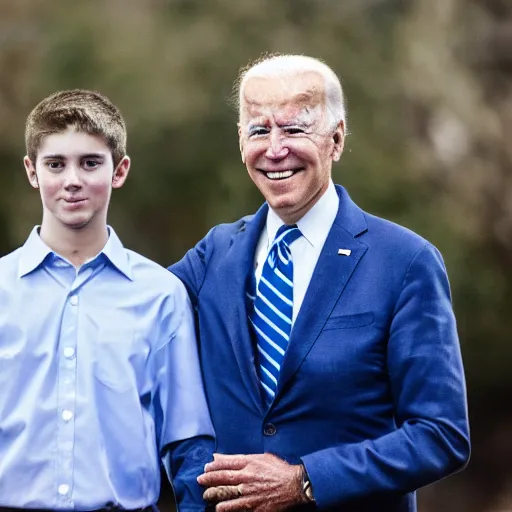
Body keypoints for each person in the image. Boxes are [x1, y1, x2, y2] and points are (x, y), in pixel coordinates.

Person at [169, 55, 470, 512]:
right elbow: (130, 318)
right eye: (258, 130)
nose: (274, 149)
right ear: (239, 140)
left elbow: (441, 435)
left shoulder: (406, 262)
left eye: (293, 129)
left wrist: (305, 480)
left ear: (336, 138)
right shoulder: (214, 255)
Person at [0, 89, 214, 511]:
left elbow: (187, 444)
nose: (72, 180)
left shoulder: (160, 295)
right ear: (32, 171)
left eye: (90, 162)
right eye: (56, 164)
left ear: (119, 170)